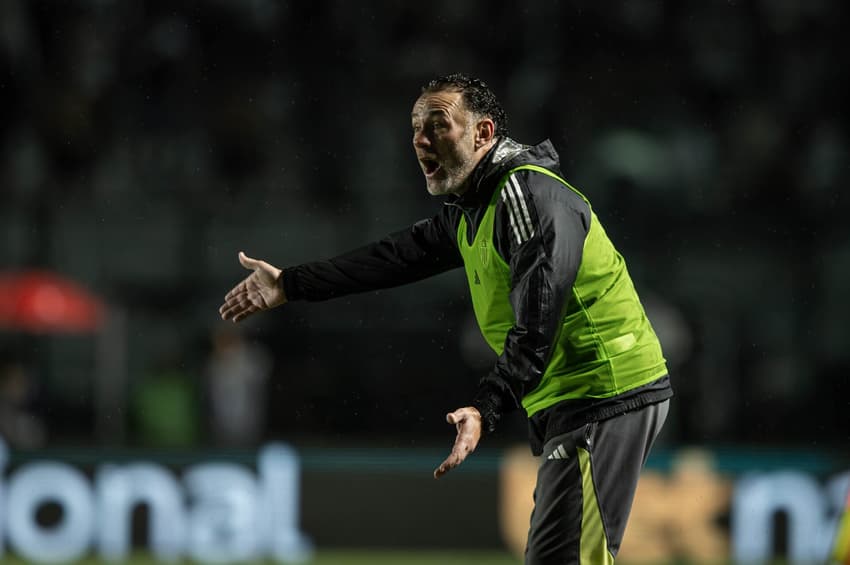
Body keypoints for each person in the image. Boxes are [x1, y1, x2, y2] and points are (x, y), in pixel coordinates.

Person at [219, 73, 673, 564]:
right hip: (575, 399)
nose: (420, 139)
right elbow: (396, 256)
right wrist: (290, 283)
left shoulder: (526, 196)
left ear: (483, 133)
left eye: (438, 124)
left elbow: (537, 323)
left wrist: (486, 406)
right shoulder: (472, 208)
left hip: (605, 393)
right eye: (416, 128)